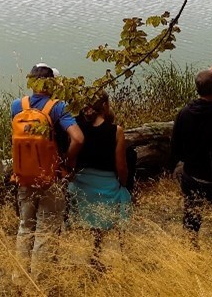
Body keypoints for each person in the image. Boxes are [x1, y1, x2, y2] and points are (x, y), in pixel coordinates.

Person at [11, 63, 84, 284]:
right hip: (51, 177)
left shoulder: (17, 105)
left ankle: (19, 278)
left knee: (25, 227)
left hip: (24, 176)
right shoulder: (58, 107)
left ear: (31, 83)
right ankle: (40, 280)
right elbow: (78, 138)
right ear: (52, 83)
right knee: (45, 229)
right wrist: (67, 162)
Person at [169, 69, 212, 240]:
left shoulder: (184, 113)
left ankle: (191, 246)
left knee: (192, 216)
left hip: (191, 175)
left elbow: (175, 145)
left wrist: (181, 164)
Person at [68, 91, 132, 271]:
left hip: (80, 183)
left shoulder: (76, 127)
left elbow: (71, 158)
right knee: (121, 199)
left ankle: (80, 255)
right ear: (104, 106)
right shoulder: (116, 131)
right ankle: (101, 253)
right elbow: (121, 166)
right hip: (106, 185)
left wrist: (72, 176)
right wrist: (123, 183)